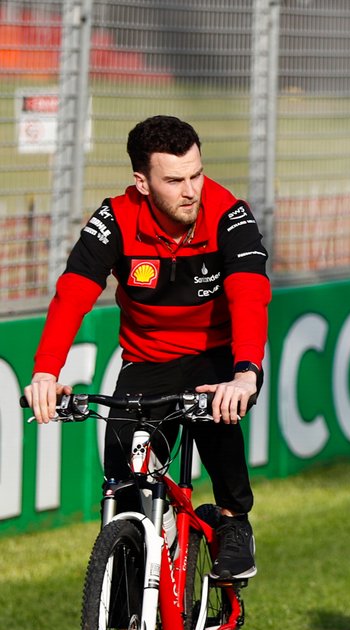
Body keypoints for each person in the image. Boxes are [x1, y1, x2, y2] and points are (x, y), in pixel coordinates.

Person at [23, 115, 271, 582]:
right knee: (122, 484)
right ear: (142, 181)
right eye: (174, 180)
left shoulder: (228, 212)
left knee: (219, 423)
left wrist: (245, 371)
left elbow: (249, 294)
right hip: (146, 361)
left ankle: (235, 523)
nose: (191, 190)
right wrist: (45, 371)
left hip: (216, 356)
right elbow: (73, 293)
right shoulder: (115, 217)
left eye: (196, 174)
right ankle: (125, 606)